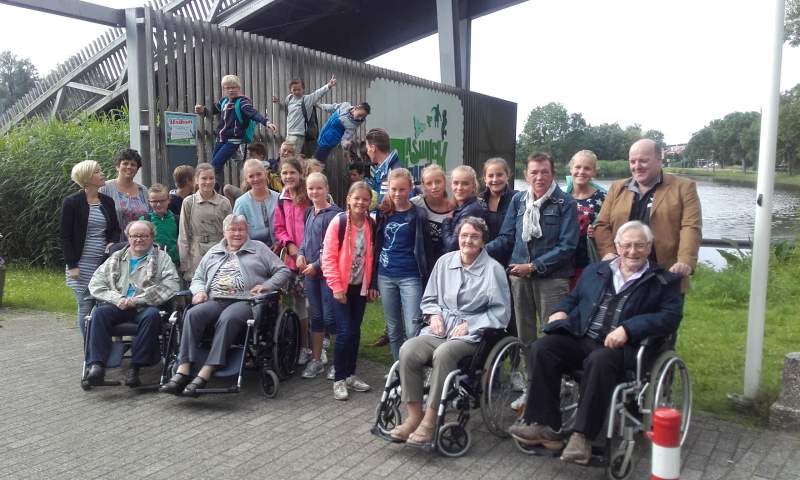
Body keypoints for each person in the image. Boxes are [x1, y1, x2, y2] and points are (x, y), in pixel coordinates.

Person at [508, 221, 683, 465]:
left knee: (599, 360)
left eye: (640, 246)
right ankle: (546, 425)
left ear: (650, 247)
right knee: (542, 347)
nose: (633, 251)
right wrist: (560, 311)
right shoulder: (597, 271)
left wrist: (628, 329)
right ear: (618, 246)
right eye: (627, 245)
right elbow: (574, 298)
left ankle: (583, 436)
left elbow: (669, 317)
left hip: (622, 349)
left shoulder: (663, 281)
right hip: (584, 337)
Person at [388, 217, 511, 445]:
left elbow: (500, 313)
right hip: (440, 329)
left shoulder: (493, 270)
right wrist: (434, 315)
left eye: (474, 237)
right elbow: (430, 298)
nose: (468, 241)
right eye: (464, 236)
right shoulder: (444, 262)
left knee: (444, 353)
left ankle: (430, 420)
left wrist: (471, 325)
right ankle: (414, 416)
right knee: (408, 349)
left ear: (483, 241)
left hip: (472, 337)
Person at [160, 215, 291, 396]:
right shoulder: (214, 251)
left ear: (247, 231)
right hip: (216, 299)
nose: (237, 233)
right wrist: (199, 291)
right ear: (224, 232)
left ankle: (207, 369)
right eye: (232, 229)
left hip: (246, 301)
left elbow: (283, 270)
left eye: (241, 229)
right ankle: (183, 370)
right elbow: (198, 277)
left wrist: (267, 286)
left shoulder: (258, 249)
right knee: (192, 314)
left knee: (228, 318)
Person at [486, 152, 578, 346]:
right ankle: (528, 374)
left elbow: (567, 246)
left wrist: (533, 266)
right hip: (520, 277)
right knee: (524, 332)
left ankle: (553, 376)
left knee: (552, 333)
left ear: (553, 174)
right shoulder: (518, 200)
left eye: (545, 172)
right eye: (534, 172)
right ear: (526, 175)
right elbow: (507, 237)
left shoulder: (566, 203)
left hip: (553, 279)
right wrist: (481, 251)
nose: (539, 177)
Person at [594, 139, 702, 288]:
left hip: (665, 274)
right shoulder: (617, 188)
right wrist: (608, 252)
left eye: (643, 161)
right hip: (623, 273)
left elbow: (690, 227)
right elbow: (602, 224)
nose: (637, 166)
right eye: (632, 162)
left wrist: (685, 260)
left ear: (659, 159)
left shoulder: (684, 187)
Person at [85, 220, 180, 387]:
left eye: (144, 236)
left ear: (152, 238)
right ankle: (97, 366)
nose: (139, 239)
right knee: (99, 313)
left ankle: (135, 368)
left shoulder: (162, 258)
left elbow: (171, 285)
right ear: (128, 237)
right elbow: (95, 283)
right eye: (135, 236)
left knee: (152, 316)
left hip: (145, 306)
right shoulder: (116, 257)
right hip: (119, 305)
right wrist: (117, 299)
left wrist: (139, 299)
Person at [320, 181, 378, 399]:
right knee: (344, 332)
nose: (361, 203)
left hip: (359, 287)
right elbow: (328, 257)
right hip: (340, 288)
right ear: (348, 199)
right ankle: (339, 378)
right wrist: (336, 287)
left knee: (355, 331)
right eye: (357, 198)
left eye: (365, 199)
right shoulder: (339, 222)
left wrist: (371, 285)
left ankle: (351, 373)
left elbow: (372, 257)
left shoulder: (371, 223)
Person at [374, 168, 433, 361]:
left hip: (410, 276)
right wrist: (374, 280)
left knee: (413, 326)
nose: (398, 193)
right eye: (394, 189)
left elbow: (425, 248)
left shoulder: (418, 215)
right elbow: (377, 245)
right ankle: (398, 368)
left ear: (410, 189)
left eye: (402, 189)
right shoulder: (383, 213)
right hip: (386, 275)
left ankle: (415, 367)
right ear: (389, 189)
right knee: (393, 327)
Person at [60, 160, 121, 337]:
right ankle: (89, 349)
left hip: (103, 264)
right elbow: (65, 236)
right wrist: (72, 265)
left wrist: (112, 242)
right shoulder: (72, 202)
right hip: (81, 264)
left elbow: (116, 229)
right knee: (85, 306)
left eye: (101, 170)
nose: (102, 174)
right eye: (97, 172)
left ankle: (101, 346)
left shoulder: (107, 202)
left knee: (103, 306)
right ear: (86, 178)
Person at [194, 75, 279, 189]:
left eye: (234, 87)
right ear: (223, 89)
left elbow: (253, 113)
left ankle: (213, 191)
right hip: (221, 139)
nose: (231, 90)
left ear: (239, 88)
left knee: (214, 166)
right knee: (215, 166)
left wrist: (266, 122)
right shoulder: (224, 101)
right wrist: (202, 110)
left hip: (233, 140)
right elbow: (214, 109)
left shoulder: (242, 102)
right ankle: (215, 191)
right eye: (227, 88)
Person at [297, 172, 342, 379]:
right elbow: (306, 240)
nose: (314, 192)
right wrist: (300, 254)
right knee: (315, 317)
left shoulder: (335, 215)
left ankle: (338, 363)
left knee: (331, 317)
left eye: (319, 188)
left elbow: (333, 247)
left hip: (328, 275)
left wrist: (316, 265)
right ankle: (316, 360)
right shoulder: (309, 212)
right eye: (311, 188)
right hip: (311, 275)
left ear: (327, 189)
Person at [273, 156, 312, 364]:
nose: (288, 177)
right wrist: (289, 245)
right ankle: (302, 346)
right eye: (284, 173)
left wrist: (305, 252)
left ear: (300, 174)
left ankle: (318, 344)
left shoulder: (310, 196)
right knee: (298, 304)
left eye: (292, 173)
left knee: (314, 304)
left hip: (311, 260)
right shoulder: (282, 199)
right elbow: (279, 228)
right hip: (291, 260)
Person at [178, 163, 232, 282]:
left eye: (211, 178)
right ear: (196, 180)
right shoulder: (189, 202)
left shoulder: (224, 203)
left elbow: (230, 233)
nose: (208, 182)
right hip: (196, 254)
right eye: (204, 178)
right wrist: (184, 263)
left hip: (219, 251)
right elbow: (183, 234)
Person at [566, 150, 607, 288]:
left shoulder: (603, 198)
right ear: (571, 169)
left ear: (594, 172)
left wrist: (598, 232)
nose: (581, 171)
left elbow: (610, 227)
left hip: (589, 262)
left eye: (587, 168)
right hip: (563, 264)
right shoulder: (561, 196)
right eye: (577, 167)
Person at [273, 76, 336, 154]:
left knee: (292, 156)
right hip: (289, 133)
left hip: (298, 134)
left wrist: (329, 85)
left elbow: (318, 93)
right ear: (290, 90)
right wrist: (278, 102)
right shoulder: (289, 98)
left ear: (303, 89)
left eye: (299, 89)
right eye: (294, 90)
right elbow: (286, 107)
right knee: (288, 155)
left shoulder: (307, 99)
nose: (296, 92)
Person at [99, 148, 150, 236]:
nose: (129, 167)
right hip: (113, 244)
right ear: (117, 166)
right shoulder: (104, 188)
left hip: (140, 243)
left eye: (133, 165)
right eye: (125, 163)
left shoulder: (143, 190)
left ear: (137, 169)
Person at [232, 159, 280, 248]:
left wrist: (279, 243)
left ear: (265, 174)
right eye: (251, 176)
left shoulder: (278, 198)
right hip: (252, 253)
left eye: (259, 174)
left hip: (279, 251)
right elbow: (237, 231)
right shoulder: (241, 203)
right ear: (246, 179)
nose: (256, 179)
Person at [411, 163, 454, 262]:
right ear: (423, 185)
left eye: (438, 182)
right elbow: (399, 204)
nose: (434, 187)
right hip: (424, 262)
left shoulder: (454, 207)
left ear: (445, 181)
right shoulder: (416, 203)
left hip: (446, 261)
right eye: (429, 183)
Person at [441, 165, 488, 253]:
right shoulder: (462, 207)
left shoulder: (472, 211)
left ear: (473, 186)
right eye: (456, 183)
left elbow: (452, 246)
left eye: (465, 184)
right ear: (451, 184)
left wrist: (446, 221)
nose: (459, 188)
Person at [140, 183, 179, 266]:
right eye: (154, 201)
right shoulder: (145, 220)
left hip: (174, 263)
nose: (158, 204)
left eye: (162, 201)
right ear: (149, 202)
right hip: (150, 263)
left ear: (169, 199)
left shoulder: (177, 219)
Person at [479, 157, 517, 240]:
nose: (495, 179)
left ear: (507, 176)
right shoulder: (478, 200)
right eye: (490, 176)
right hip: (482, 251)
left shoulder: (517, 199)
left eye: (499, 175)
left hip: (510, 251)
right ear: (485, 179)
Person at [365, 128, 402, 205]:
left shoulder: (394, 171)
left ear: (373, 148)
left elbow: (386, 204)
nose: (367, 152)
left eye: (367, 148)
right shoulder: (382, 169)